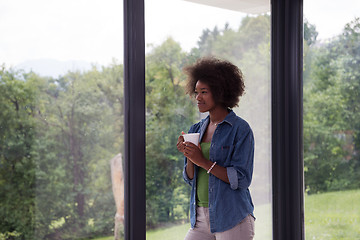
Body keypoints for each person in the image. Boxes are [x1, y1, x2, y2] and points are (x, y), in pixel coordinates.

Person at [176, 57, 255, 240]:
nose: (198, 97)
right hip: (200, 219)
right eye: (196, 92)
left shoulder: (240, 129)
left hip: (232, 217)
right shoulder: (195, 130)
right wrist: (189, 155)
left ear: (220, 92)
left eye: (204, 92)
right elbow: (190, 178)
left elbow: (242, 179)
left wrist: (202, 161)